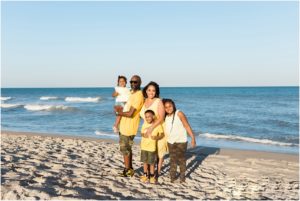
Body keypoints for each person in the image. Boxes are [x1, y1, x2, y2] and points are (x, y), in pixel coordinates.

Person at [114, 75, 144, 177]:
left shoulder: (139, 95)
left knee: (125, 149)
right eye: (131, 82)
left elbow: (131, 113)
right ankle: (129, 169)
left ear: (140, 83)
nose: (133, 84)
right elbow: (122, 101)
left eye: (135, 82)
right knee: (127, 149)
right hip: (124, 125)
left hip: (129, 127)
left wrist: (119, 113)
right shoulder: (131, 92)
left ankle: (127, 170)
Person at [162, 98, 196, 183]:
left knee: (181, 159)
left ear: (173, 105)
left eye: (170, 106)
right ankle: (172, 176)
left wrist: (193, 138)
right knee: (172, 160)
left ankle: (182, 176)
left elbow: (187, 126)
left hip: (181, 141)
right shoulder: (165, 117)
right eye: (166, 107)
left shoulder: (179, 113)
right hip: (170, 141)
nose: (168, 108)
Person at [140, 81, 166, 178]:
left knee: (158, 152)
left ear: (156, 92)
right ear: (146, 91)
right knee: (147, 152)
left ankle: (156, 173)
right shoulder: (144, 101)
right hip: (146, 130)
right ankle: (147, 173)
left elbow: (161, 118)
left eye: (153, 91)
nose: (151, 92)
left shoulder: (158, 101)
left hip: (157, 128)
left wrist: (151, 128)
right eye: (149, 90)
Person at [140, 110, 164, 184]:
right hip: (143, 147)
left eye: (149, 116)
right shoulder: (144, 124)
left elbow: (162, 134)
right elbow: (141, 133)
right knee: (145, 162)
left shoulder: (157, 125)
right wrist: (144, 135)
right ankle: (145, 175)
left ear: (153, 116)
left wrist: (157, 138)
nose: (147, 118)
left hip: (152, 148)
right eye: (146, 117)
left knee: (152, 163)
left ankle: (152, 176)